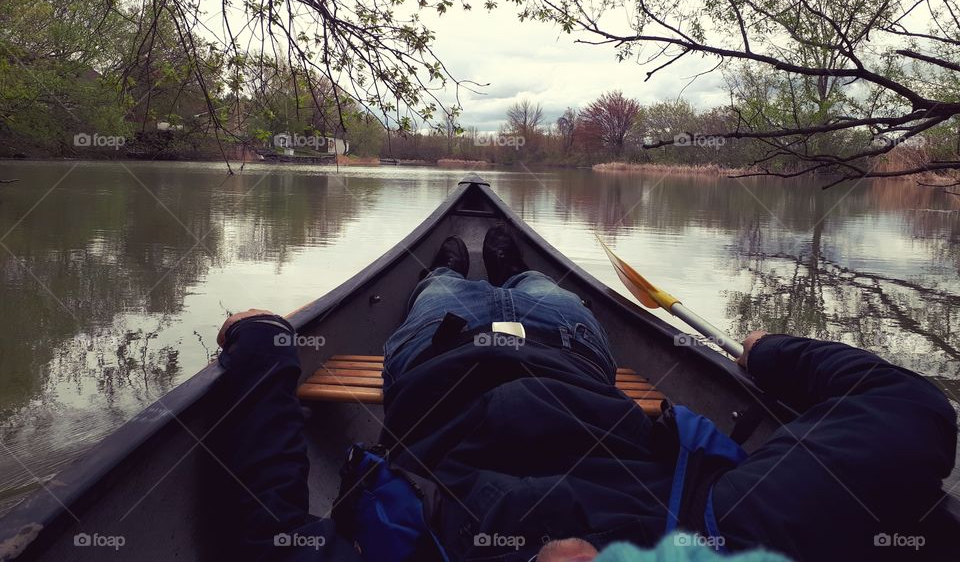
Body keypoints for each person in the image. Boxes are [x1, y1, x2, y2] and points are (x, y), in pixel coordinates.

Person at [213, 226, 957, 562]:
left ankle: (458, 268)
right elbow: (910, 414)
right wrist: (774, 354)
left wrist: (265, 344)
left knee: (440, 287)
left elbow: (264, 525)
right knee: (544, 288)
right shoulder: (718, 531)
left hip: (439, 351)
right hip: (566, 347)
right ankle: (511, 268)